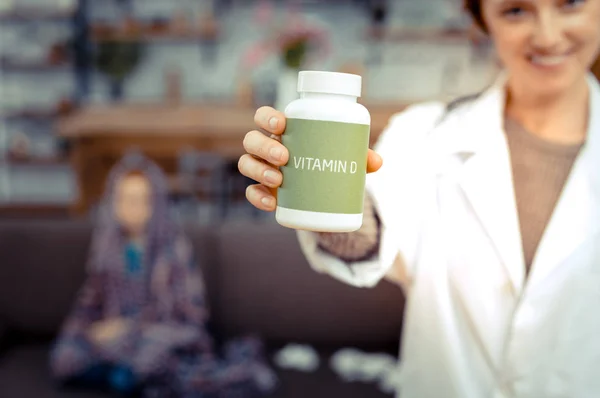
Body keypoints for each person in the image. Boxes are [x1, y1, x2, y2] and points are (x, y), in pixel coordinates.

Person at [238, 0, 600, 397]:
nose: (547, 35)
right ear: (483, 21)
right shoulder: (425, 133)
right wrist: (331, 201)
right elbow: (375, 237)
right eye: (516, 10)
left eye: (570, 3)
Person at [50, 153, 275, 397]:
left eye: (138, 200)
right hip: (115, 336)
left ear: (154, 203)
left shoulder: (173, 249)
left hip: (160, 333)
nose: (130, 208)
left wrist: (128, 327)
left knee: (149, 357)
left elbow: (189, 315)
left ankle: (123, 372)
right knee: (66, 356)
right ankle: (118, 371)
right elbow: (89, 301)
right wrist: (84, 329)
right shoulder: (107, 248)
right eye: (123, 199)